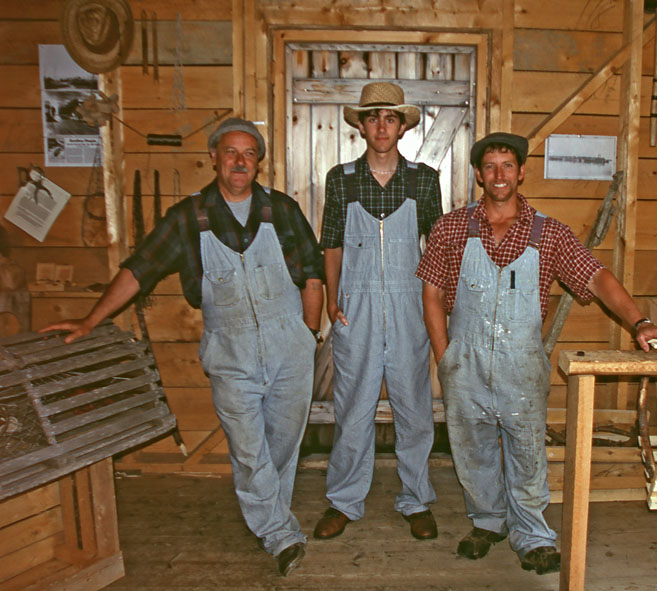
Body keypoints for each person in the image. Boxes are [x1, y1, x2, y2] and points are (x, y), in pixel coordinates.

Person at [41, 118, 324, 577]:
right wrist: (93, 318)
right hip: (229, 350)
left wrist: (307, 336)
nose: (239, 161)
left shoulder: (283, 210)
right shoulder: (187, 217)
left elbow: (313, 273)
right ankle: (280, 533)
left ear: (258, 162)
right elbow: (140, 269)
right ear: (213, 157)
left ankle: (269, 514)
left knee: (281, 445)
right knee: (248, 449)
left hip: (289, 341)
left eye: (249, 153)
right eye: (230, 152)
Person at [416, 132, 657, 575]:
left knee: (526, 452)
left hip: (521, 365)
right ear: (479, 174)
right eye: (490, 166)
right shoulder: (451, 228)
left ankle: (533, 536)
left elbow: (597, 278)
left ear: (521, 172)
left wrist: (641, 323)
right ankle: (487, 522)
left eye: (508, 166)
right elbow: (431, 294)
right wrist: (446, 357)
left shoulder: (550, 233)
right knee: (472, 450)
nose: (499, 175)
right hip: (465, 361)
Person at [313, 82, 442, 542]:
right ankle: (344, 501)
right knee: (353, 410)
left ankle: (417, 500)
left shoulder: (424, 179)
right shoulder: (341, 178)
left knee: (414, 410)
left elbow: (438, 249)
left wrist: (434, 310)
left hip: (410, 309)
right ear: (362, 126)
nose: (382, 126)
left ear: (403, 126)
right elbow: (330, 245)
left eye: (390, 118)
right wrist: (333, 302)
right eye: (373, 118)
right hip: (356, 309)